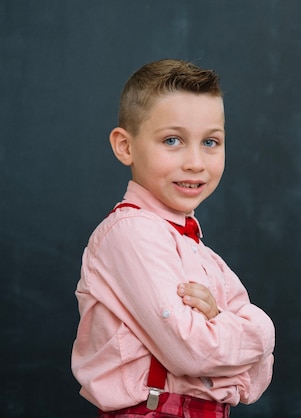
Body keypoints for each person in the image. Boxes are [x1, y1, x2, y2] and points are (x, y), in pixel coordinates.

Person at [71, 59, 275, 418]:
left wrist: (218, 326)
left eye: (211, 142)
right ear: (125, 146)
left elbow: (255, 381)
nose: (196, 162)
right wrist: (256, 328)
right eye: (172, 140)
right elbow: (191, 353)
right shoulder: (131, 234)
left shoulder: (205, 256)